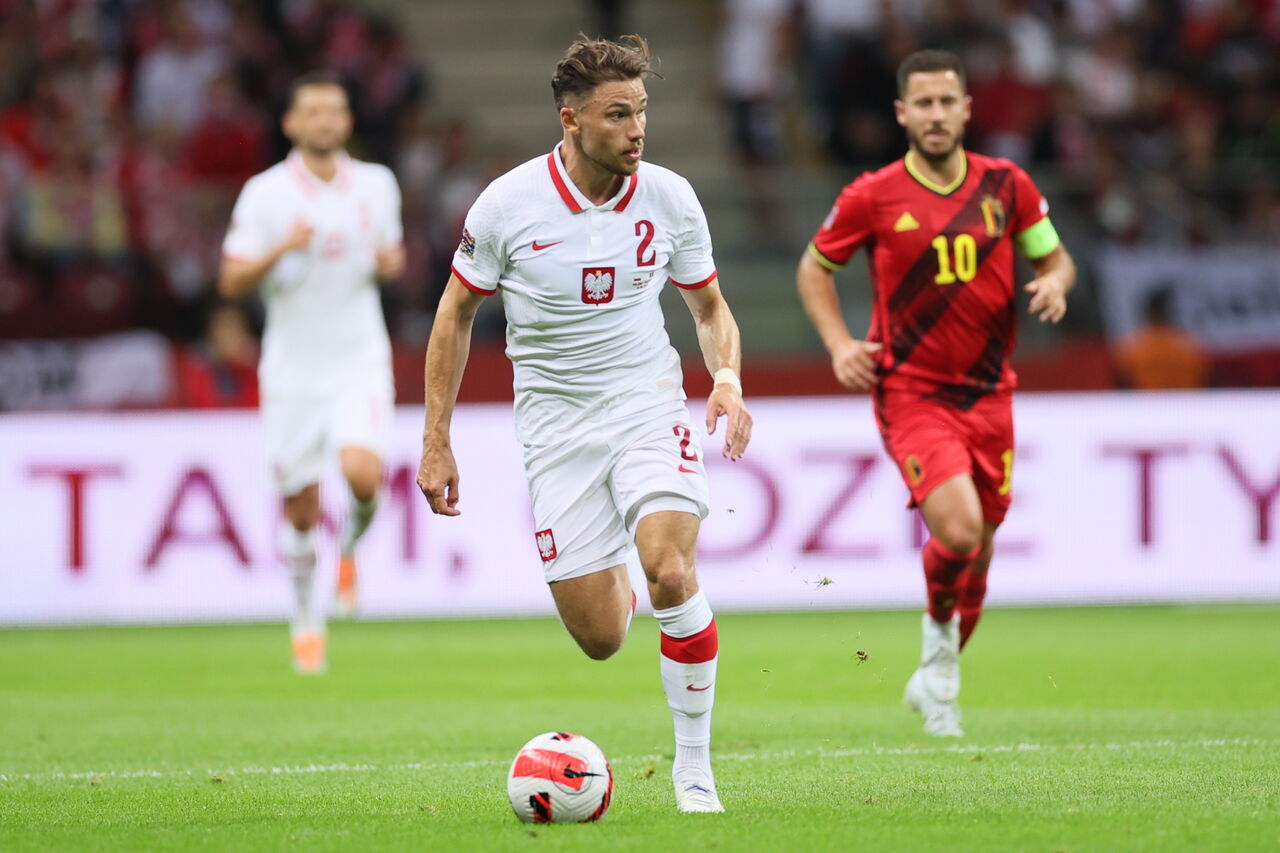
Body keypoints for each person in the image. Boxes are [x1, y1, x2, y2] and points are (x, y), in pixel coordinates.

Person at [416, 35, 752, 813]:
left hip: (646, 403)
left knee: (670, 569)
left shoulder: (670, 197)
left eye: (642, 112)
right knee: (601, 637)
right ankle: (619, 576)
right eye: (618, 115)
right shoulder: (506, 205)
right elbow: (455, 314)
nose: (638, 130)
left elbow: (709, 308)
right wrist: (436, 438)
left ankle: (694, 770)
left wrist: (728, 378)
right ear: (571, 121)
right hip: (556, 426)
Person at [796, 49, 1076, 737]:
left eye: (947, 101)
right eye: (923, 103)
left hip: (991, 394)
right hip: (912, 392)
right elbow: (814, 267)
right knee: (959, 529)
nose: (936, 114)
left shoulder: (1007, 185)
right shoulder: (873, 195)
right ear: (902, 113)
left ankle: (936, 671)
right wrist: (839, 344)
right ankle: (940, 661)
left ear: (967, 108)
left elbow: (1055, 255)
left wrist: (1054, 282)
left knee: (980, 549)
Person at [218, 70, 406, 673]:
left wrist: (391, 263)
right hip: (293, 370)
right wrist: (282, 247)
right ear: (291, 124)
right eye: (313, 112)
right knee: (300, 509)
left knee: (362, 476)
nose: (325, 120)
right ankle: (305, 619)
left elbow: (392, 255)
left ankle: (347, 547)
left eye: (334, 111)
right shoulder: (266, 194)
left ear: (347, 122)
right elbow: (230, 279)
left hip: (358, 358)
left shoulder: (377, 185)